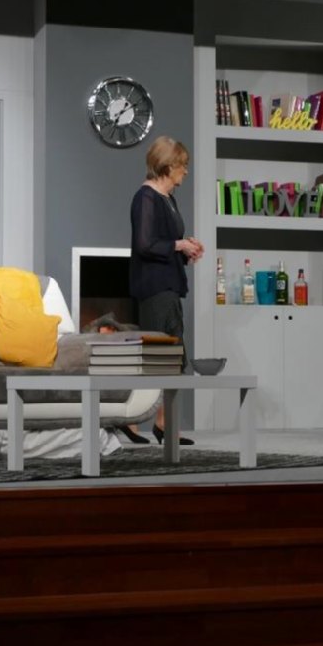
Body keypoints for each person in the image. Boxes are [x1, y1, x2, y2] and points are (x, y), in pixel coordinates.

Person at [128, 135, 205, 445]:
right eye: (182, 165)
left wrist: (187, 250)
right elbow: (144, 244)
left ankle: (163, 424)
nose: (186, 171)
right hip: (154, 287)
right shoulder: (145, 198)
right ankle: (132, 423)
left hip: (169, 285)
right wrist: (179, 245)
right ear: (168, 166)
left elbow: (166, 242)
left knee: (171, 357)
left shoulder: (168, 199)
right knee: (158, 357)